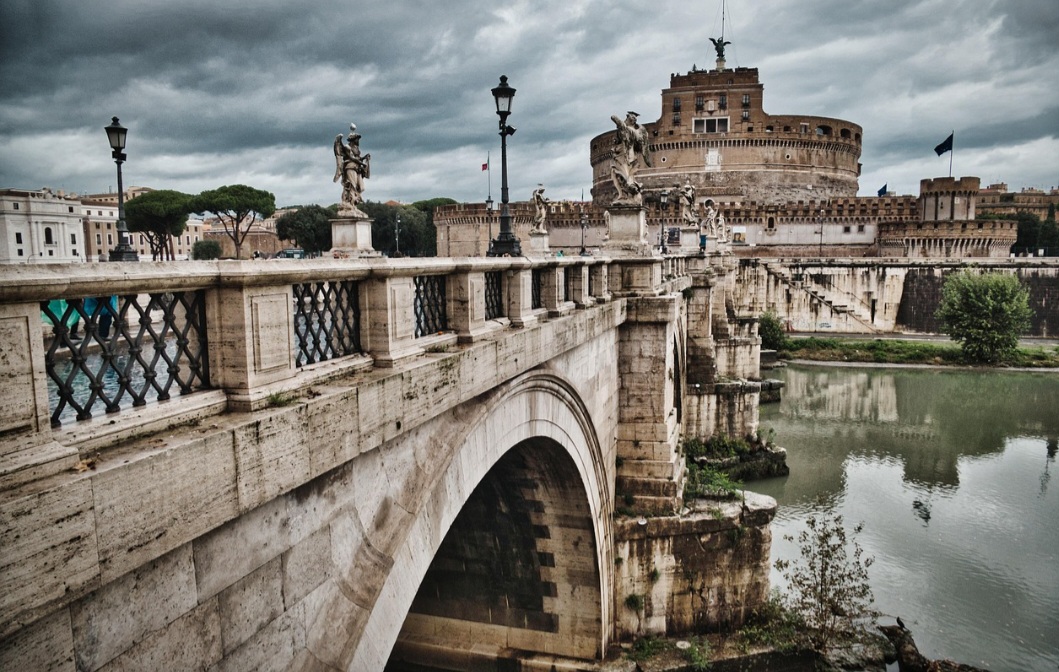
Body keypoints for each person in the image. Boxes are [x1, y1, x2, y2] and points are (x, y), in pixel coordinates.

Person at [333, 123, 371, 212]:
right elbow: (351, 158)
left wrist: (364, 157)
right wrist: (362, 163)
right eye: (357, 139)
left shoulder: (357, 148)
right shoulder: (347, 147)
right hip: (350, 168)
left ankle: (354, 203)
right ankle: (350, 204)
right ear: (353, 139)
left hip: (357, 169)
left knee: (361, 187)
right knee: (352, 186)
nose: (358, 141)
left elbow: (358, 158)